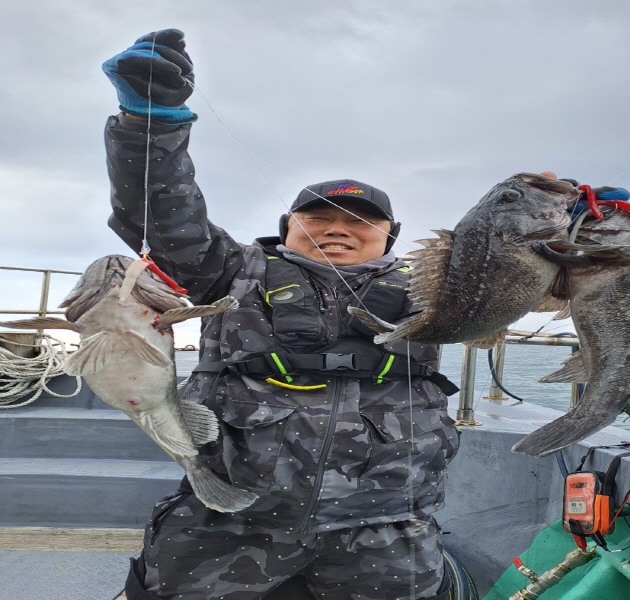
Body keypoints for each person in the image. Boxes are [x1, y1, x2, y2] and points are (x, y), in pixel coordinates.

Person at [103, 29, 461, 600]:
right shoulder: (233, 270)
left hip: (385, 524)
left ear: (392, 237)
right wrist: (151, 124)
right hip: (230, 517)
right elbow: (161, 217)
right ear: (287, 226)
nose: (338, 227)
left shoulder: (436, 291)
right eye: (319, 217)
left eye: (360, 220)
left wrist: (580, 233)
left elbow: (521, 278)